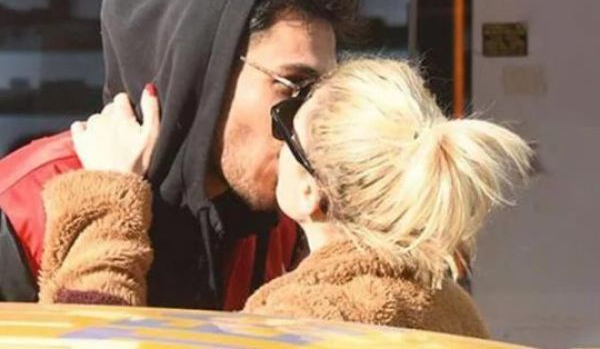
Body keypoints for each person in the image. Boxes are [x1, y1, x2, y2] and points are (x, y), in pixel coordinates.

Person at [38, 57, 532, 338]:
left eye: (286, 125)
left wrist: (105, 201)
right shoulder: (452, 309)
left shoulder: (301, 320)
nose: (275, 140)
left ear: (312, 192)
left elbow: (89, 345)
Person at [0, 0, 361, 308]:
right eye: (294, 86)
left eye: (323, 93)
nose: (311, 118)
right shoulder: (25, 205)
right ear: (203, 76)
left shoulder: (287, 219)